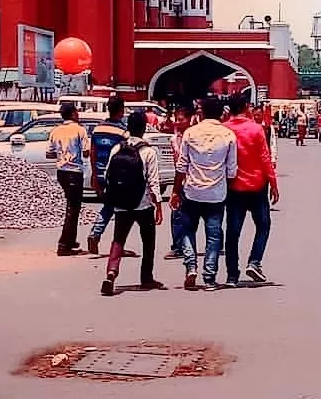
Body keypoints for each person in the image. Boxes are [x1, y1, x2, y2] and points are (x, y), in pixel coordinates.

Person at [170, 95, 237, 290]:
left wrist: (175, 191)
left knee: (188, 230)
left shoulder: (190, 133)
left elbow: (181, 166)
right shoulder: (228, 136)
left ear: (202, 113)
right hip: (216, 193)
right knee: (214, 235)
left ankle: (191, 266)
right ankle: (209, 277)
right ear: (221, 114)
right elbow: (232, 170)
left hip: (192, 191)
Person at [100, 110, 165, 296]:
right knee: (148, 241)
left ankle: (111, 273)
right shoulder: (148, 151)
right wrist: (158, 206)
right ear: (144, 128)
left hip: (121, 204)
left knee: (118, 239)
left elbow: (107, 176)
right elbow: (153, 181)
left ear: (128, 128)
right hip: (143, 204)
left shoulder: (117, 149)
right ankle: (146, 278)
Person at [225, 95, 280, 286]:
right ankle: (254, 262)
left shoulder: (225, 130)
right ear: (247, 107)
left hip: (233, 187)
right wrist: (273, 183)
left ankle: (232, 275)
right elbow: (265, 158)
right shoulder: (256, 129)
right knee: (263, 226)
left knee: (232, 232)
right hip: (257, 185)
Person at [46, 102, 90, 256]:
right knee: (73, 208)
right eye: (77, 111)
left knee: (73, 206)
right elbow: (86, 152)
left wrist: (61, 153)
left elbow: (49, 153)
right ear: (72, 114)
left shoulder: (55, 131)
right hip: (74, 171)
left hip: (61, 171)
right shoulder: (79, 130)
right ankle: (64, 244)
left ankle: (71, 240)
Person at [86, 94, 128, 256]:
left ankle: (97, 235)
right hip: (116, 177)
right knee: (119, 210)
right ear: (121, 111)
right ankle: (107, 240)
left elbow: (93, 153)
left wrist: (95, 175)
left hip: (101, 173)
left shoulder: (98, 129)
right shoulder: (123, 132)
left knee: (110, 206)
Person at [165, 104, 192, 260]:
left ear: (190, 119)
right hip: (180, 180)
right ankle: (177, 246)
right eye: (176, 119)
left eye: (180, 119)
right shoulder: (174, 139)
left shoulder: (195, 136)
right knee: (176, 214)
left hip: (194, 182)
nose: (177, 122)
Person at [252, 104, 278, 168]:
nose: (256, 117)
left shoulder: (268, 127)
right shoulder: (251, 127)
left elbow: (272, 143)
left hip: (266, 157)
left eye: (258, 115)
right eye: (254, 115)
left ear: (262, 114)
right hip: (253, 158)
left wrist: (273, 158)